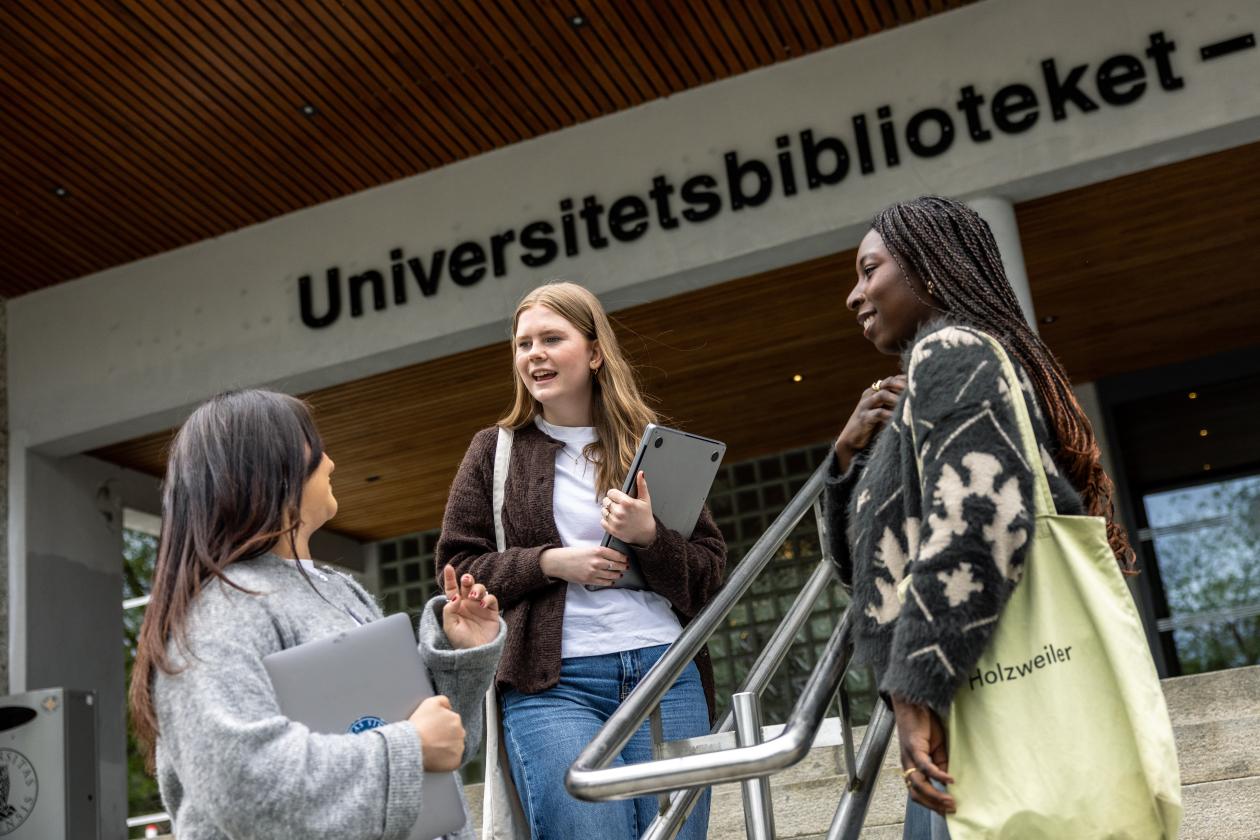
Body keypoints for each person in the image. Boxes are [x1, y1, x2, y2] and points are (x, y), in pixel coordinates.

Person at [822, 196, 1135, 839]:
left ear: (929, 268)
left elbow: (979, 520)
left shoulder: (953, 350)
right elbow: (861, 569)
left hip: (980, 693)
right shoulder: (944, 370)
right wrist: (845, 456)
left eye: (869, 270)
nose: (854, 296)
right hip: (972, 693)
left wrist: (916, 687)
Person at [129, 389, 506, 840]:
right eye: (313, 445)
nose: (330, 462)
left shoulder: (337, 588)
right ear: (267, 465)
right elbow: (244, 784)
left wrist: (458, 657)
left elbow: (442, 752)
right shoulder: (217, 614)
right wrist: (408, 746)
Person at [436, 281, 726, 840]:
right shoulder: (493, 451)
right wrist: (551, 563)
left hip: (666, 674)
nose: (533, 354)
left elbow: (708, 575)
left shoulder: (650, 446)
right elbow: (459, 566)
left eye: (551, 338)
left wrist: (649, 536)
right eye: (523, 344)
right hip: (553, 686)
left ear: (594, 353)